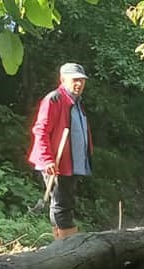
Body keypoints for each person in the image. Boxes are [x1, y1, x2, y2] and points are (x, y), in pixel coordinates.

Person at [28, 62, 93, 241]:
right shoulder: (55, 99)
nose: (79, 84)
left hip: (72, 163)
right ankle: (69, 245)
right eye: (75, 80)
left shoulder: (76, 102)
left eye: (81, 80)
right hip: (56, 162)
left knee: (66, 201)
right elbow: (40, 130)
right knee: (61, 205)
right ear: (63, 80)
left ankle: (62, 244)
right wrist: (47, 159)